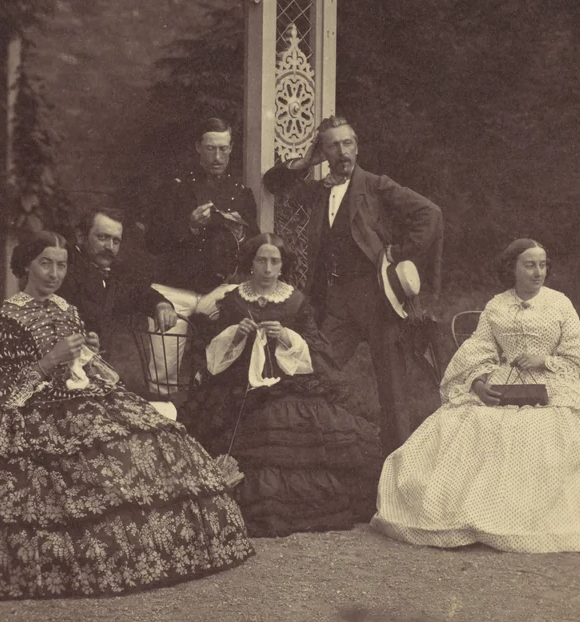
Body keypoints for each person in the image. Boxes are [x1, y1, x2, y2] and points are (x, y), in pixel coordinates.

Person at [0, 231, 253, 599]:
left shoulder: (67, 310)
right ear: (25, 266)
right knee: (102, 464)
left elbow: (91, 369)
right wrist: (51, 361)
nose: (54, 273)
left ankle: (163, 550)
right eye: (45, 263)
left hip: (87, 395)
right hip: (36, 413)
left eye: (61, 265)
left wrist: (90, 354)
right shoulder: (5, 319)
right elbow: (6, 394)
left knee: (156, 435)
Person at [371, 238, 580, 553]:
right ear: (512, 268)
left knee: (567, 431)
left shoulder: (559, 303)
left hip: (551, 382)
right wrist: (477, 382)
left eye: (542, 265)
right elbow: (479, 349)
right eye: (530, 265)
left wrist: (547, 360)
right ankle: (476, 512)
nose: (538, 272)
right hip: (506, 383)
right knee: (474, 424)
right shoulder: (497, 306)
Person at [263, 115, 443, 454]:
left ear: (357, 147)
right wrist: (305, 162)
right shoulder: (318, 191)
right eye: (333, 145)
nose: (342, 151)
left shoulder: (376, 185)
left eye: (347, 143)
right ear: (323, 151)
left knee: (393, 389)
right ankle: (320, 445)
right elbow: (274, 184)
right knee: (315, 367)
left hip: (377, 297)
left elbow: (430, 214)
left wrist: (397, 254)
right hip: (335, 300)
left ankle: (397, 465)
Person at [182, 233, 382, 537]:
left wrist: (287, 336)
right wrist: (236, 334)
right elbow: (207, 349)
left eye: (274, 261)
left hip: (289, 383)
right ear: (251, 262)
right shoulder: (233, 300)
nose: (267, 267)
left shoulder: (296, 302)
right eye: (261, 259)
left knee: (293, 423)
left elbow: (318, 350)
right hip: (238, 385)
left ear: (282, 265)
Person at [145, 117, 259, 294]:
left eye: (223, 149)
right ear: (198, 147)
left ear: (231, 148)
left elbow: (255, 247)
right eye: (210, 149)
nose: (217, 158)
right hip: (177, 288)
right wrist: (190, 226)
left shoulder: (241, 193)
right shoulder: (175, 187)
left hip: (224, 289)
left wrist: (241, 236)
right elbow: (153, 242)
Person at [58, 207, 177, 355]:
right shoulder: (63, 269)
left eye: (116, 241)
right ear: (81, 236)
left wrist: (161, 304)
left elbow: (137, 291)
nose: (110, 247)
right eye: (102, 237)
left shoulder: (110, 270)